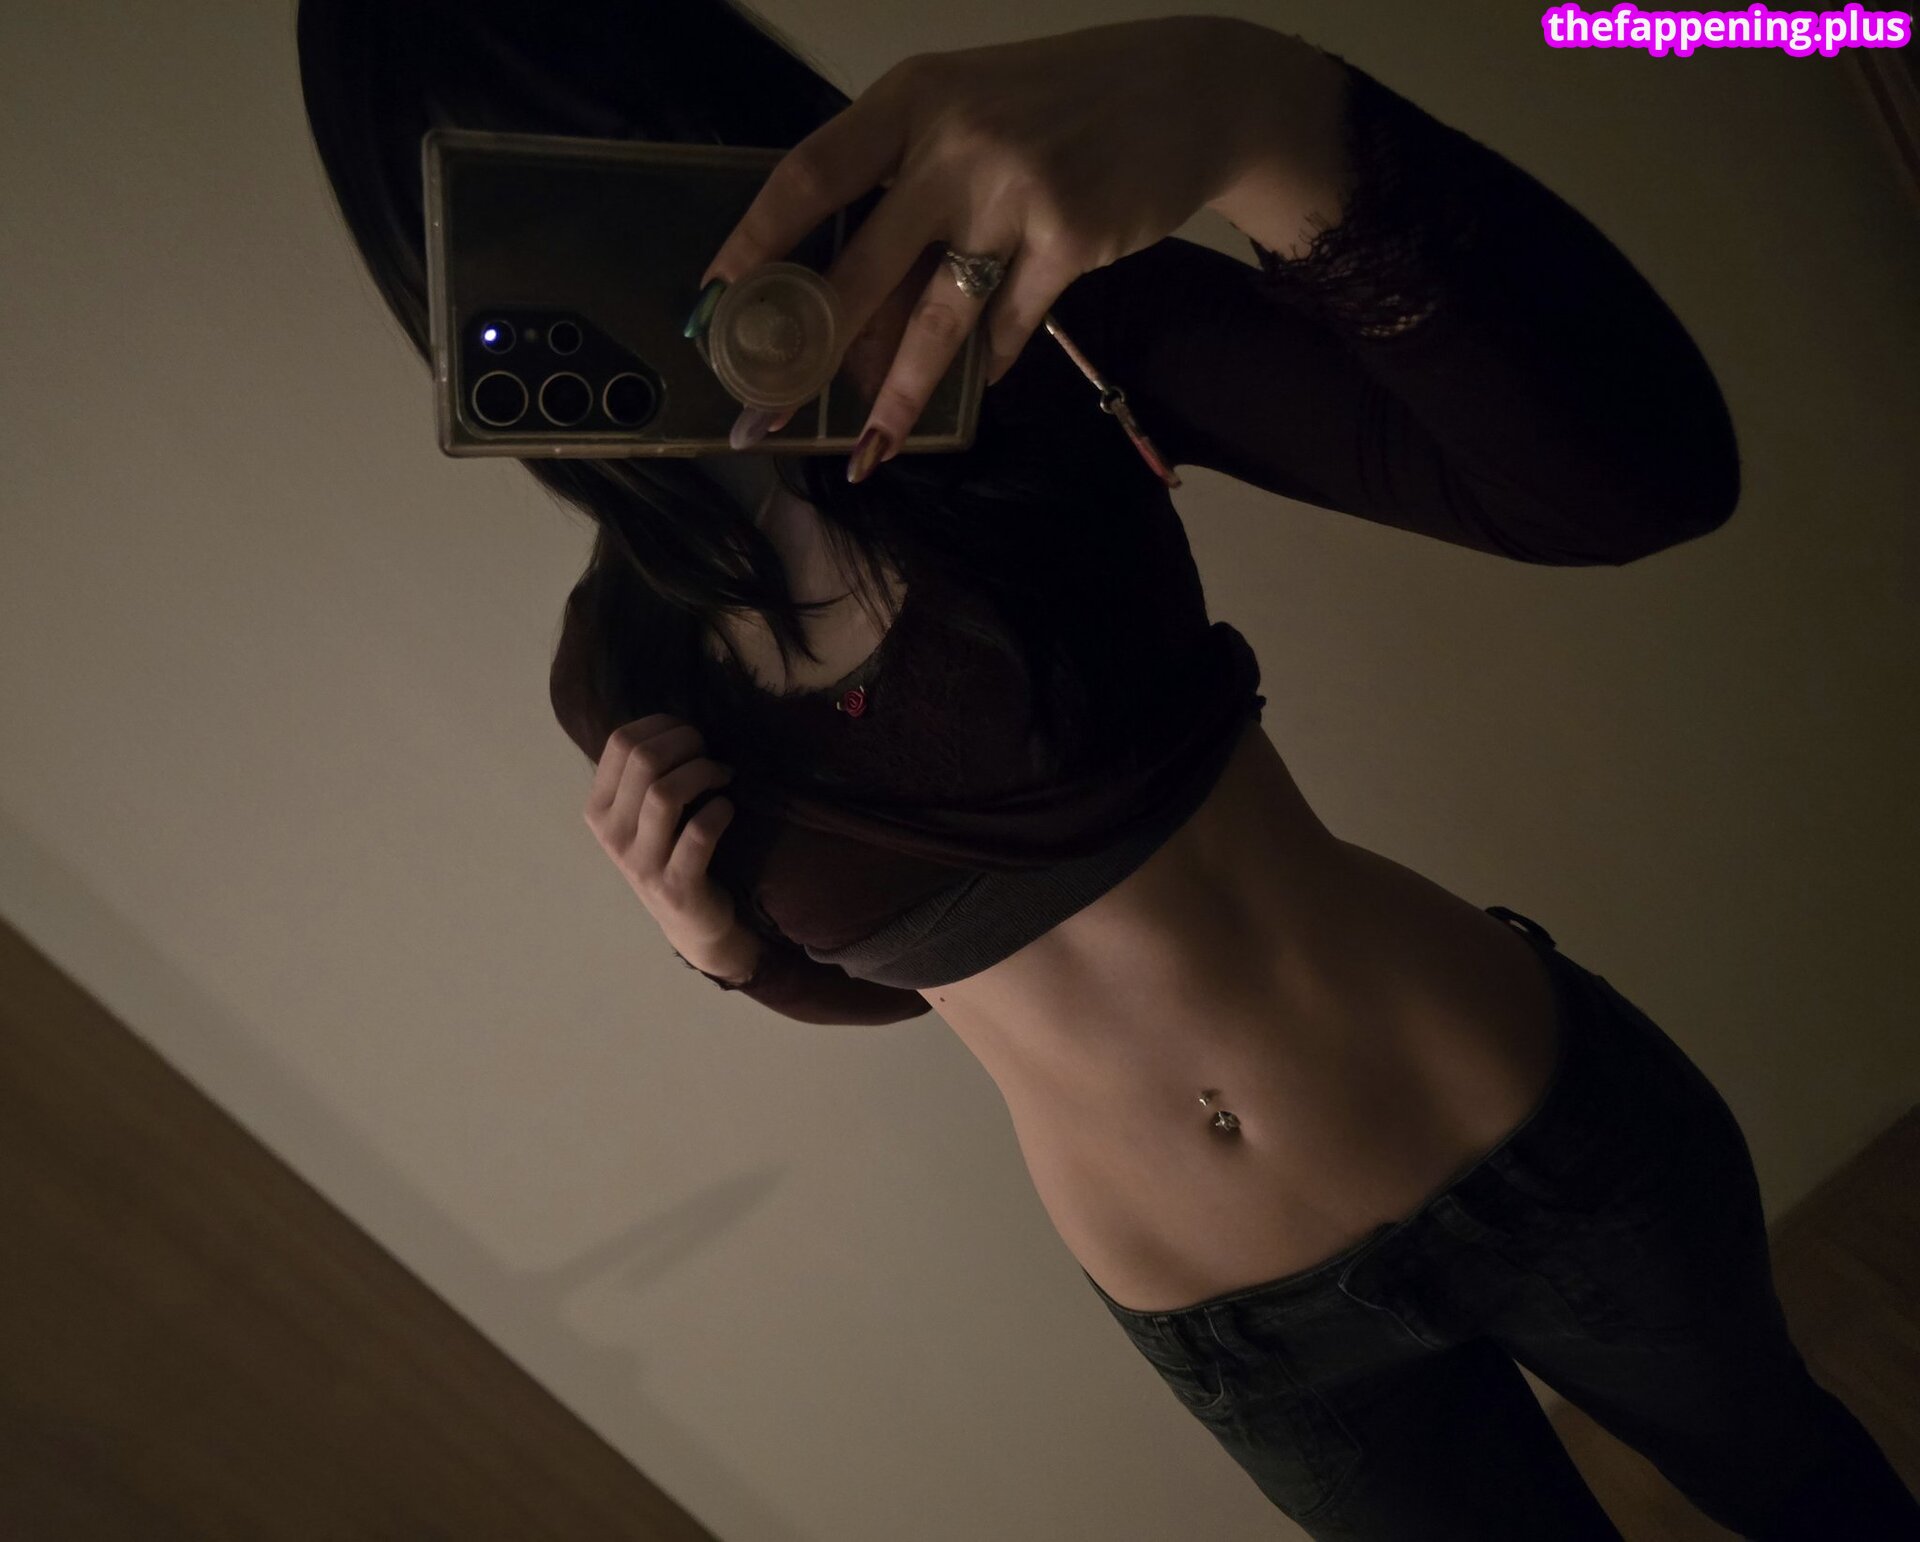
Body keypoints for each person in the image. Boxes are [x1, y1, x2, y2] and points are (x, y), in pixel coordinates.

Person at [297, 4, 1920, 1535]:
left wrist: (1261, 114)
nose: (620, 248)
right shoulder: (621, 668)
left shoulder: (1027, 350)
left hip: (1528, 1143)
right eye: (516, 203)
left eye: (612, 153)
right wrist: (722, 951)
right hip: (1253, 1342)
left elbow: (1623, 484)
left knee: (1809, 1495)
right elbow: (929, 964)